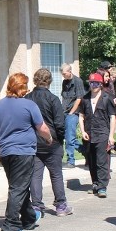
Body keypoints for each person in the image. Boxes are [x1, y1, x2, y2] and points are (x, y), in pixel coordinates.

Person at [0, 73, 52, 231]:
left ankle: (29, 217)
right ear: (22, 87)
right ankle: (10, 226)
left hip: (5, 152)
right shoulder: (29, 105)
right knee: (17, 187)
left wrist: (0, 145)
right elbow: (42, 128)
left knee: (19, 185)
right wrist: (49, 138)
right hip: (23, 152)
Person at [25, 69, 72, 217]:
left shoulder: (27, 98)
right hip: (52, 140)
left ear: (35, 80)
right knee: (56, 174)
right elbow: (59, 123)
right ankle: (61, 205)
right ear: (49, 81)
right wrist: (60, 139)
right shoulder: (53, 99)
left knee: (35, 175)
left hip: (34, 140)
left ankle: (37, 205)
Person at [79, 73, 116, 198]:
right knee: (91, 160)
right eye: (91, 83)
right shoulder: (85, 98)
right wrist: (83, 131)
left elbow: (112, 117)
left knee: (101, 160)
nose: (93, 85)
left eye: (96, 83)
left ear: (101, 85)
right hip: (89, 133)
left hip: (102, 132)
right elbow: (81, 116)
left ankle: (102, 186)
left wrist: (111, 136)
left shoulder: (107, 98)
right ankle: (95, 183)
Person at [60, 63, 85, 168]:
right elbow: (64, 97)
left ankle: (71, 160)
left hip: (73, 113)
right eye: (62, 74)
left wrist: (71, 112)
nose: (63, 75)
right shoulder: (64, 82)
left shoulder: (78, 81)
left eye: (64, 73)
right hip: (64, 111)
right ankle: (87, 152)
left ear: (69, 71)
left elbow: (79, 98)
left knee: (70, 137)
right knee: (66, 137)